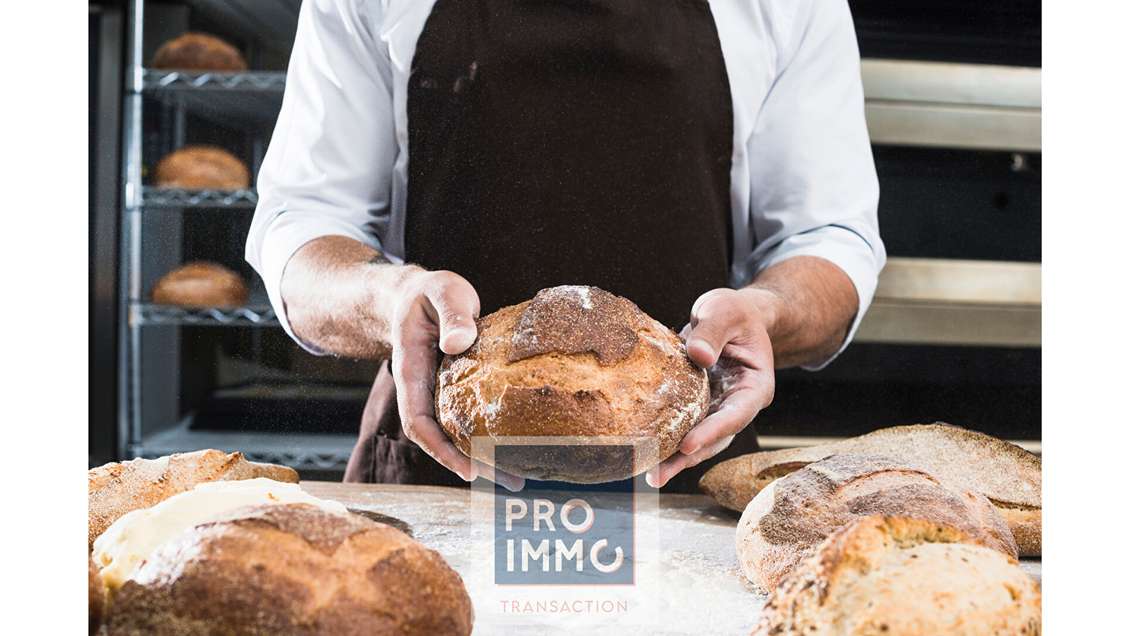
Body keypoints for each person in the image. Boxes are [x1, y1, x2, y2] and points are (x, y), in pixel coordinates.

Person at [246, 0, 885, 490]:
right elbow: (303, 226)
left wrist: (767, 312)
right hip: (440, 464)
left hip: (684, 461)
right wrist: (391, 298)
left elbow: (828, 239)